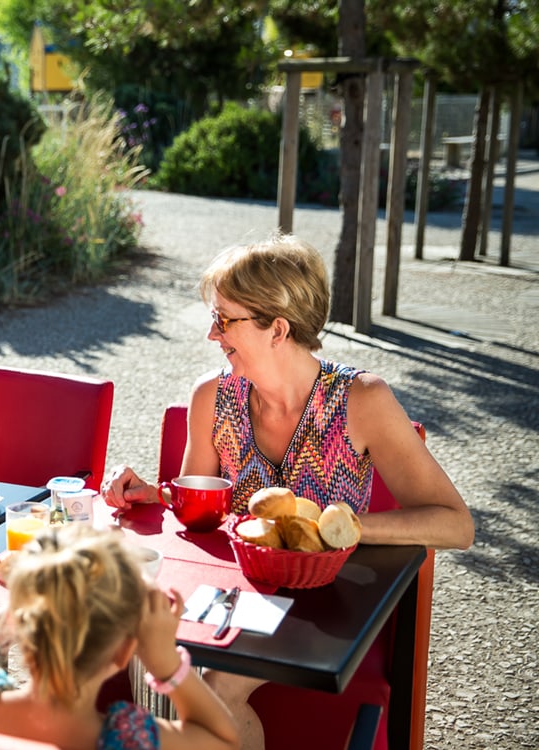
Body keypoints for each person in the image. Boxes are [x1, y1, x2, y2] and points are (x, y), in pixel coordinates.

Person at [101, 233, 474, 749]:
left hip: (322, 603)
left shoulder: (361, 399)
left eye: (225, 319)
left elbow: (455, 523)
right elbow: (205, 511)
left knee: (212, 690)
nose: (213, 334)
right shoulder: (212, 395)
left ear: (277, 328)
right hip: (237, 594)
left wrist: (336, 530)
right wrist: (151, 491)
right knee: (122, 651)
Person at [0, 525, 240, 750]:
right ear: (123, 652)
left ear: (25, 624)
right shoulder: (127, 740)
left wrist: (32, 599)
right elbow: (224, 739)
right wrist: (165, 662)